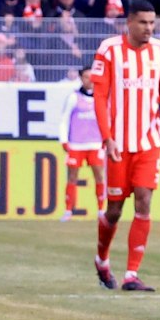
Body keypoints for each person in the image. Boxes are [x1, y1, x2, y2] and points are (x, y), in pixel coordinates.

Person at [90, 3, 160, 293]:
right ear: (129, 22)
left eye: (152, 23)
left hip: (149, 142)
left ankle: (131, 274)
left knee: (144, 200)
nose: (149, 28)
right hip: (118, 145)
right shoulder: (109, 50)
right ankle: (102, 259)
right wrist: (107, 137)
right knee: (114, 210)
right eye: (143, 23)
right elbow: (99, 97)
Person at [57, 64, 103, 221]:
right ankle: (69, 210)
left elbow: (108, 120)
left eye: (92, 77)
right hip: (77, 144)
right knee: (72, 177)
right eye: (86, 77)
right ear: (81, 78)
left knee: (99, 176)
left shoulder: (102, 97)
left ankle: (101, 210)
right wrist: (64, 140)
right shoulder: (73, 97)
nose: (89, 80)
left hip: (96, 143)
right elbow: (64, 120)